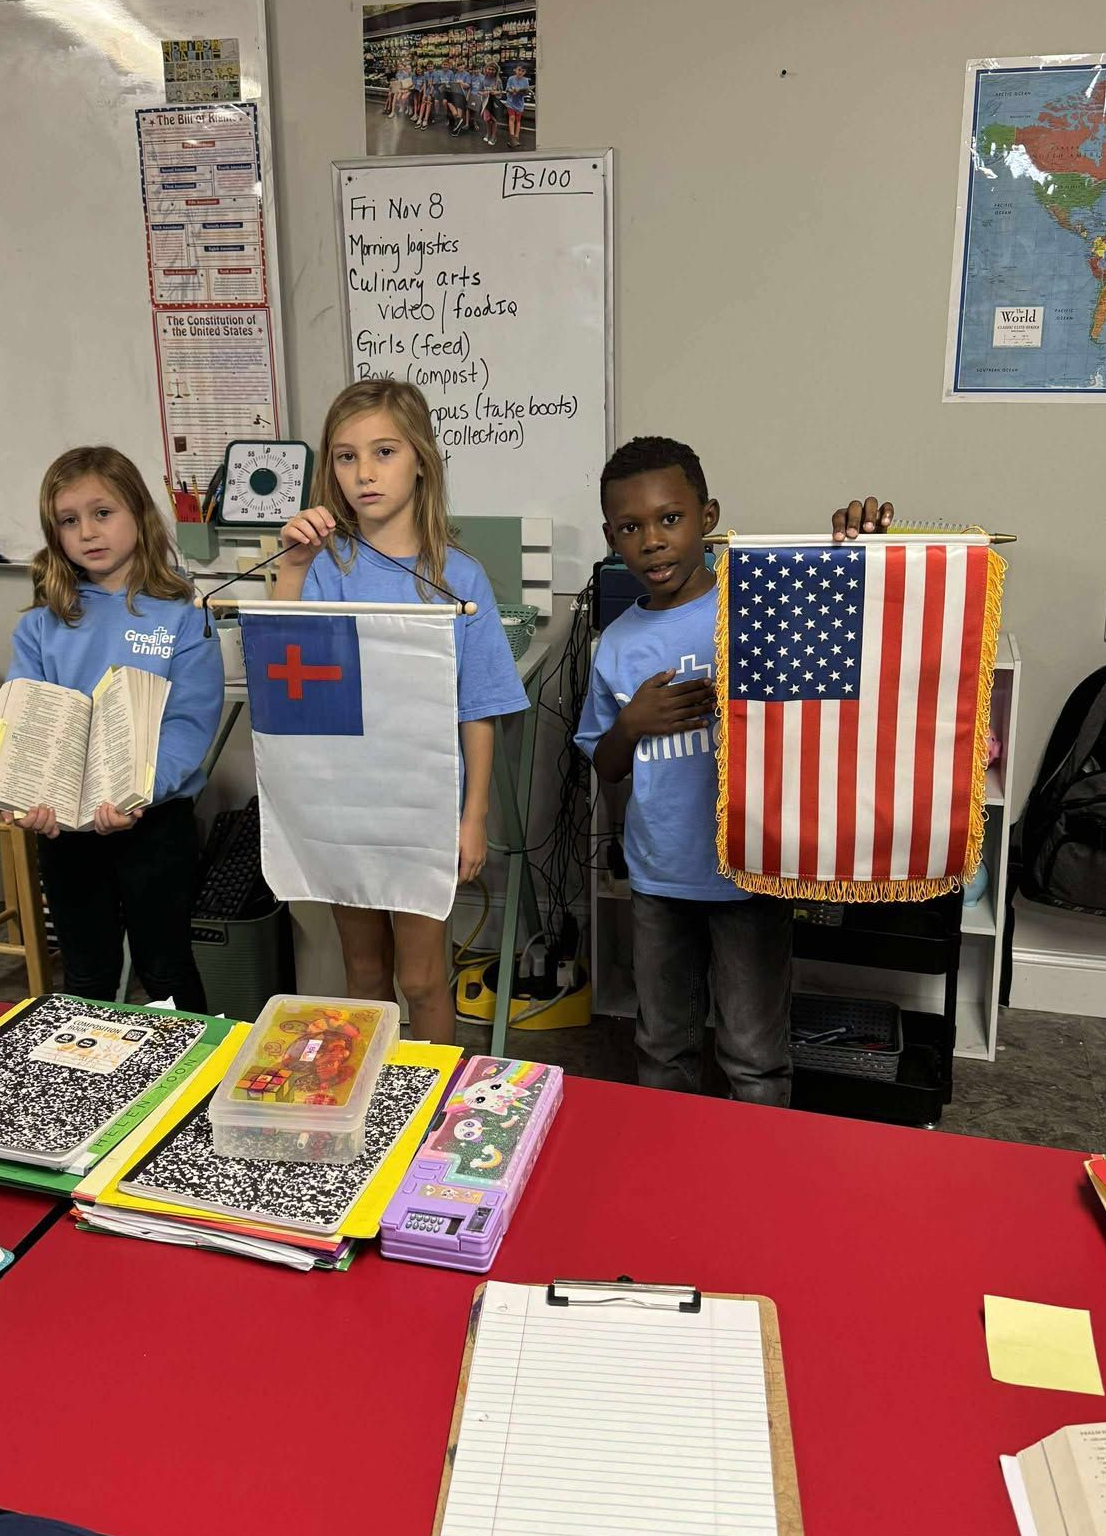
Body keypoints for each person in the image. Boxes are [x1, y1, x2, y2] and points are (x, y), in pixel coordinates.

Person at [576, 436, 892, 1104]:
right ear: (611, 538)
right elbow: (604, 766)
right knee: (662, 1045)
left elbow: (855, 624)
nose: (653, 541)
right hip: (661, 875)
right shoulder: (615, 645)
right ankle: (672, 1165)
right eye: (630, 528)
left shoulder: (758, 609)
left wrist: (858, 544)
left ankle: (757, 1177)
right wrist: (631, 723)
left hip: (749, 872)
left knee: (753, 1052)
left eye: (670, 519)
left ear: (708, 516)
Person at [271, 381, 527, 1044]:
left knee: (420, 979)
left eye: (383, 451)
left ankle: (430, 1105)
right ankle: (369, 1104)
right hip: (344, 803)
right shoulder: (325, 569)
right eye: (345, 457)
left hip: (420, 805)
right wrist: (293, 567)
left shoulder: (459, 577)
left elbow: (479, 707)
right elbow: (286, 671)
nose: (364, 473)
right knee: (363, 975)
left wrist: (473, 817)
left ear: (421, 461)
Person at [5, 446, 223, 1011]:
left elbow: (189, 724)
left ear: (138, 513)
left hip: (154, 821)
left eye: (103, 512)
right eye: (69, 520)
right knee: (86, 972)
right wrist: (28, 797)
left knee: (166, 966)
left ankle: (191, 1089)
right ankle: (94, 1091)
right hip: (67, 832)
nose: (87, 532)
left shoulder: (181, 614)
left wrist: (134, 793)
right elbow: (27, 720)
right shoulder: (41, 625)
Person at [503, 64, 531, 147]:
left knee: (518, 120)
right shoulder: (511, 78)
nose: (520, 72)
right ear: (515, 70)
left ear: (525, 72)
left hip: (519, 103)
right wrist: (512, 91)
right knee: (512, 118)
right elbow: (507, 89)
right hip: (511, 102)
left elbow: (526, 92)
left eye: (523, 71)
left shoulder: (526, 80)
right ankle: (512, 137)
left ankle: (516, 137)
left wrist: (523, 92)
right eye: (519, 70)